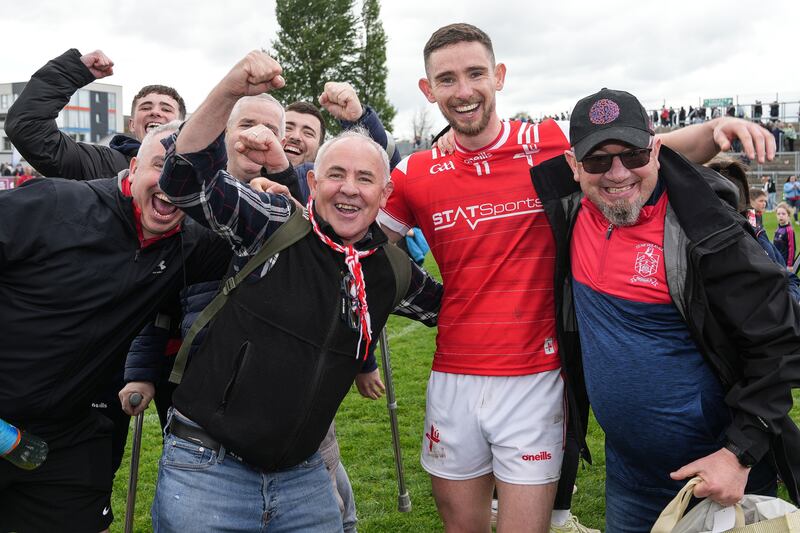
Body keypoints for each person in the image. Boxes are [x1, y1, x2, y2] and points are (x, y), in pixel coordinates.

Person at [377, 22, 777, 533]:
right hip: (452, 373)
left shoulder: (547, 146)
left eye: (475, 73)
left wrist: (715, 128)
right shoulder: (414, 172)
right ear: (426, 89)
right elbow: (361, 244)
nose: (464, 90)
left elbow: (652, 151)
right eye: (447, 79)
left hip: (537, 376)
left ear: (498, 76)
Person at [150, 50, 442, 532]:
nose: (350, 189)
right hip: (208, 466)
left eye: (366, 179)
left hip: (303, 478)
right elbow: (183, 182)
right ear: (312, 182)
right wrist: (230, 89)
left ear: (385, 195)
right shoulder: (272, 221)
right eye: (336, 175)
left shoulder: (392, 270)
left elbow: (458, 311)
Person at [530, 87, 800, 532]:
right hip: (629, 479)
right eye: (597, 160)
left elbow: (780, 343)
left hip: (717, 477)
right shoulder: (572, 209)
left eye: (633, 155)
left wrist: (739, 453)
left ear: (657, 152)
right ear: (574, 167)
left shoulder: (707, 233)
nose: (617, 173)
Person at [0, 122, 229, 532]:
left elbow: (276, 245)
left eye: (189, 173)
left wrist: (273, 183)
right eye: (162, 165)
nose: (173, 182)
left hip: (65, 434)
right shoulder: (56, 202)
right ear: (135, 165)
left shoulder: (192, 245)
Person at [5, 48, 185, 180]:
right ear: (131, 124)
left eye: (166, 109)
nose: (155, 112)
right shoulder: (99, 163)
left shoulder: (201, 170)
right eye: (146, 107)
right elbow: (28, 128)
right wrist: (71, 72)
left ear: (182, 125)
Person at [774, 202, 796, 267]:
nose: (781, 215)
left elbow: (792, 248)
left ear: (788, 215)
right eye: (778, 214)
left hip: (784, 263)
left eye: (783, 214)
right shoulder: (778, 229)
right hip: (777, 261)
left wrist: (790, 265)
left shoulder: (789, 230)